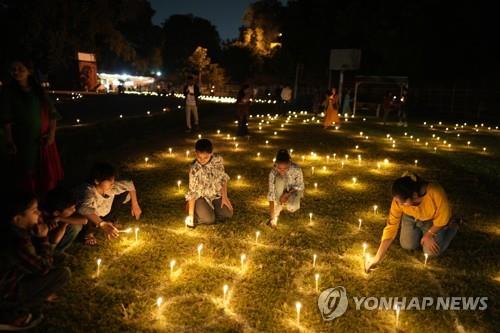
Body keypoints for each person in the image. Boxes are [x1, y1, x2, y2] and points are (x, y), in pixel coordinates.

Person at [0, 192, 71, 331]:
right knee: (63, 273)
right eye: (34, 211)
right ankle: (13, 313)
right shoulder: (17, 241)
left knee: (60, 257)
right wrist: (43, 239)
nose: (39, 213)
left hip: (13, 276)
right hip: (5, 293)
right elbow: (43, 268)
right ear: (17, 219)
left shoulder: (16, 231)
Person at [365, 172, 460, 273]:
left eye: (403, 202)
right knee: (407, 245)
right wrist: (378, 257)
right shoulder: (399, 199)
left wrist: (429, 234)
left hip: (434, 221)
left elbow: (442, 219)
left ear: (414, 195)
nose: (399, 204)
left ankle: (453, 226)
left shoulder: (435, 192)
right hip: (411, 218)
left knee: (431, 252)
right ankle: (419, 230)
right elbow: (391, 226)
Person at [1, 58, 64, 195]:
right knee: (27, 170)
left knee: (44, 169)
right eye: (13, 70)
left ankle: (44, 201)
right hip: (23, 138)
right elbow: (6, 119)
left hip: (43, 136)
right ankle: (30, 201)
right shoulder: (8, 91)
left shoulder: (39, 91)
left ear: (29, 71)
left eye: (20, 69)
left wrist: (52, 134)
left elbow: (52, 113)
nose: (16, 72)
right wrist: (9, 140)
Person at [75, 162, 142, 245]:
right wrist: (103, 224)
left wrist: (135, 205)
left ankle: (109, 221)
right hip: (88, 218)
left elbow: (129, 184)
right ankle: (88, 233)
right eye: (109, 181)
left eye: (113, 180)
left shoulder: (110, 187)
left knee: (124, 193)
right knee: (89, 212)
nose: (112, 183)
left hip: (104, 212)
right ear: (97, 181)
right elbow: (82, 208)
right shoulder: (88, 191)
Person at [185, 139, 233, 228]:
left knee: (227, 214)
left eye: (205, 157)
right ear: (196, 153)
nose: (202, 160)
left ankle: (209, 209)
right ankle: (197, 209)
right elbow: (192, 192)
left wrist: (225, 197)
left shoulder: (218, 162)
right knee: (209, 220)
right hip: (200, 197)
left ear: (211, 153)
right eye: (199, 157)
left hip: (215, 195)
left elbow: (223, 179)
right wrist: (190, 215)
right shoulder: (194, 169)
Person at [41, 187, 88, 253]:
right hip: (45, 246)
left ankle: (60, 250)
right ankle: (56, 253)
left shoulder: (61, 212)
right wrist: (64, 224)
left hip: (58, 222)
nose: (74, 210)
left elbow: (84, 220)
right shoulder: (43, 220)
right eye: (71, 208)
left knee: (76, 226)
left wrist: (61, 219)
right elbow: (55, 240)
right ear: (56, 212)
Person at [267, 149, 304, 228]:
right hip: (280, 189)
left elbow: (300, 186)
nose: (282, 171)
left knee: (292, 207)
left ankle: (286, 202)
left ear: (289, 163)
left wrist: (287, 194)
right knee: (279, 179)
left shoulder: (296, 169)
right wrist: (272, 217)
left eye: (285, 168)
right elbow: (271, 194)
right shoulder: (273, 173)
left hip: (293, 190)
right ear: (276, 164)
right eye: (279, 168)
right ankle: (279, 204)